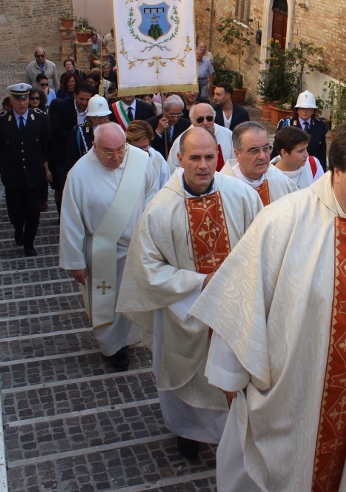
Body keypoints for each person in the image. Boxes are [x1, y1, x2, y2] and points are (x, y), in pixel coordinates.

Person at [190, 116, 346, 492]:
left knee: (344, 468)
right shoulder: (282, 221)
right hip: (293, 391)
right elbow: (241, 304)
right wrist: (230, 378)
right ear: (336, 171)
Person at [117, 127, 262, 461]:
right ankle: (187, 432)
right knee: (188, 377)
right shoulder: (159, 210)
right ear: (179, 159)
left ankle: (233, 437)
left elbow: (261, 247)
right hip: (185, 312)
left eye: (210, 157)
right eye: (194, 157)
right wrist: (199, 281)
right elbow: (147, 269)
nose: (203, 165)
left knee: (234, 374)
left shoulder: (241, 196)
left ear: (219, 157)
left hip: (233, 309)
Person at [60, 123, 157, 371]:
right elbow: (71, 220)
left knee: (134, 296)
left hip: (136, 247)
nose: (116, 158)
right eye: (109, 152)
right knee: (108, 302)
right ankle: (114, 347)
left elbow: (152, 194)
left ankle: (133, 337)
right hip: (102, 251)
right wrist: (75, 261)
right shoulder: (79, 174)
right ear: (95, 146)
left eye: (121, 150)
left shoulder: (139, 161)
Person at [0, 83, 51, 256]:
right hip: (13, 175)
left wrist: (44, 166)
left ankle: (29, 244)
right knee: (15, 211)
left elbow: (46, 144)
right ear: (11, 100)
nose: (22, 103)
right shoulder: (1, 121)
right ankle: (18, 228)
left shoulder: (40, 118)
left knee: (33, 211)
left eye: (25, 99)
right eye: (18, 99)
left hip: (34, 175)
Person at [219, 122, 297, 205]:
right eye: (254, 151)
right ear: (237, 154)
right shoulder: (223, 188)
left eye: (266, 148)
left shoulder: (278, 178)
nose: (262, 156)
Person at [48, 82, 96, 212]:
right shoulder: (62, 106)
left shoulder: (94, 108)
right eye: (81, 99)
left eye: (87, 100)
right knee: (64, 188)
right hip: (64, 155)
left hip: (87, 156)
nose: (84, 103)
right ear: (75, 95)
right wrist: (77, 135)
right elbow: (56, 129)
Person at [166, 103, 233, 173]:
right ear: (192, 121)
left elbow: (234, 164)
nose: (205, 122)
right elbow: (173, 170)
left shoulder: (227, 135)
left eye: (209, 118)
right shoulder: (181, 141)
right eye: (200, 119)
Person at [274, 90, 328, 170]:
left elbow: (322, 152)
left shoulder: (320, 125)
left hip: (312, 168)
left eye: (308, 108)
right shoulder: (286, 123)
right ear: (297, 110)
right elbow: (277, 148)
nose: (305, 111)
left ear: (313, 110)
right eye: (302, 108)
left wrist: (322, 172)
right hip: (291, 168)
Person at [65, 95, 112, 173]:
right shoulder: (79, 131)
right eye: (98, 117)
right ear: (90, 116)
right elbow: (71, 160)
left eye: (105, 116)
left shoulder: (114, 130)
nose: (102, 120)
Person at [270, 126, 324, 190]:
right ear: (284, 153)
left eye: (306, 148)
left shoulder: (313, 164)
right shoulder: (269, 177)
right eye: (301, 151)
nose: (307, 155)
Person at [126, 120, 171, 191]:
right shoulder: (121, 160)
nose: (141, 152)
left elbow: (166, 186)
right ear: (128, 143)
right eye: (137, 148)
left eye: (145, 147)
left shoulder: (157, 159)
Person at [148, 95, 191, 159]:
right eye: (172, 114)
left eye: (179, 114)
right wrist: (158, 132)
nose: (175, 119)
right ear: (164, 110)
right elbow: (148, 147)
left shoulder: (186, 125)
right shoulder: (151, 123)